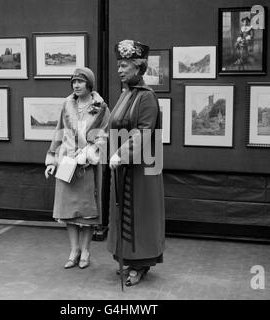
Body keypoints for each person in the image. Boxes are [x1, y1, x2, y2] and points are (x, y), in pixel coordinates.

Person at [107, 40, 165, 286]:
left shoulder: (146, 98)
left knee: (140, 214)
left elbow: (143, 132)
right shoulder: (126, 95)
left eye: (124, 66)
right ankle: (129, 259)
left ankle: (140, 263)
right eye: (119, 65)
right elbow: (114, 125)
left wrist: (121, 153)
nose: (119, 70)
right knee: (123, 212)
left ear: (138, 68)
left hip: (142, 168)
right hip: (123, 167)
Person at [45, 67, 110, 269]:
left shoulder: (101, 107)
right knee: (68, 210)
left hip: (88, 165)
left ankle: (86, 250)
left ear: (89, 84)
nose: (76, 85)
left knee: (86, 211)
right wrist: (51, 160)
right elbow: (58, 132)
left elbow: (105, 135)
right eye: (74, 81)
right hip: (66, 162)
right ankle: (74, 251)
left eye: (80, 81)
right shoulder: (67, 104)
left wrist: (90, 152)